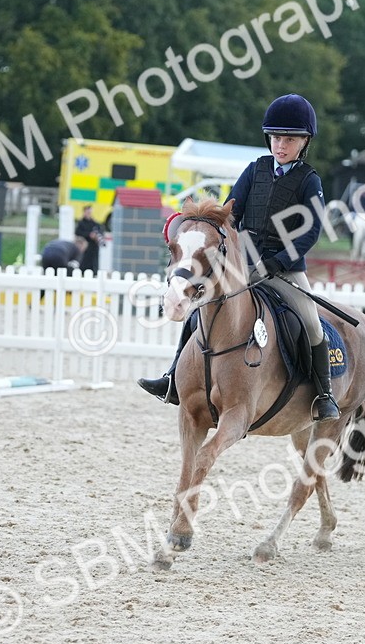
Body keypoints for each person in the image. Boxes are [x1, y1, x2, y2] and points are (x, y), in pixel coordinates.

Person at [137, 93, 340, 421]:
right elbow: (230, 214)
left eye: (289, 139)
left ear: (304, 142)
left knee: (311, 324)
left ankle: (323, 394)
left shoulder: (309, 181)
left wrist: (278, 262)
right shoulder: (254, 170)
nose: (280, 146)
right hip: (241, 265)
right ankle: (173, 377)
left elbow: (311, 230)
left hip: (284, 270)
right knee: (198, 311)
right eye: (276, 138)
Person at [75, 205, 104, 273]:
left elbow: (100, 231)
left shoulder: (94, 223)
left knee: (94, 262)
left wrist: (96, 236)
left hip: (94, 246)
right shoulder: (81, 223)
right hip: (85, 246)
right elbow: (78, 232)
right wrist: (89, 234)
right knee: (84, 262)